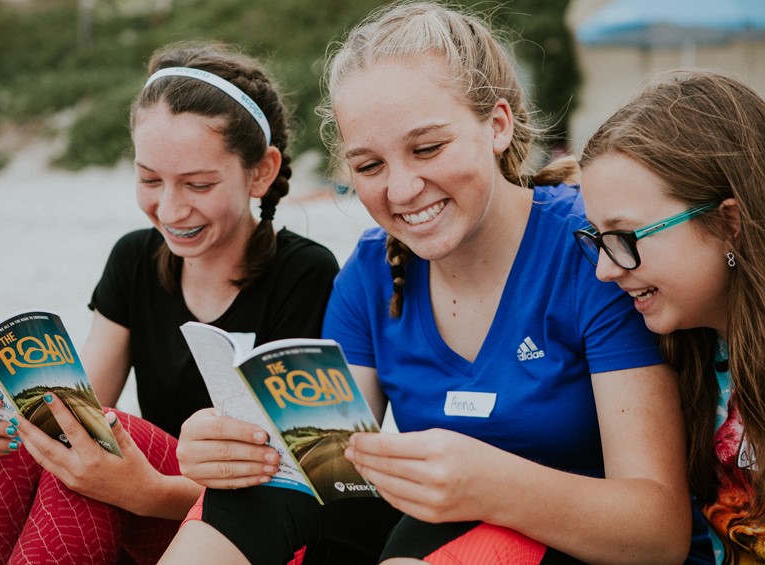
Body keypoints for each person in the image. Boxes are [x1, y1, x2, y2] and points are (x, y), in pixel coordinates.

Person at [161, 3, 694, 564]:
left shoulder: (591, 255)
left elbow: (660, 532)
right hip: (423, 536)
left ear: (497, 124)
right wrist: (233, 452)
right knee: (247, 496)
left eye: (428, 148)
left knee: (473, 537)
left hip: (572, 547)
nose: (402, 189)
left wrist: (491, 484)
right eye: (369, 167)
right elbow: (326, 471)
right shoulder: (369, 273)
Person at [0, 41, 339, 565]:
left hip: (260, 535)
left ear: (260, 171)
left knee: (111, 438)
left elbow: (301, 490)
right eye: (149, 180)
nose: (169, 207)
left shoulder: (306, 273)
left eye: (199, 183)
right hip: (152, 517)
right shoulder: (134, 259)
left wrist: (141, 490)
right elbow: (74, 411)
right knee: (43, 434)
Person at [574, 69, 765, 565]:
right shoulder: (697, 350)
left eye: (625, 237)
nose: (604, 270)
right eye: (595, 236)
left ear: (728, 223)